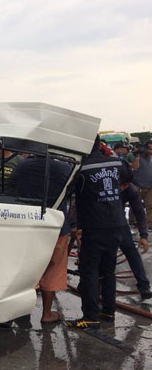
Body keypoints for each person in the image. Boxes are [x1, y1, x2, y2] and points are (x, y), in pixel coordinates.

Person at [66, 136, 129, 329]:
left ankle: (91, 316)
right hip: (116, 223)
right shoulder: (117, 162)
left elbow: (70, 193)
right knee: (108, 271)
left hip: (95, 226)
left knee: (90, 271)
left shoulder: (82, 168)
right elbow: (128, 179)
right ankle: (108, 311)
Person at [10, 154, 72, 324]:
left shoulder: (22, 166)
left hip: (28, 225)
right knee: (53, 270)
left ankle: (22, 313)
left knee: (26, 270)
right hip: (57, 226)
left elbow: (11, 186)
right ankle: (46, 313)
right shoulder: (65, 169)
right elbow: (72, 192)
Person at [118, 170, 152, 300]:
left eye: (125, 185)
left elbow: (140, 213)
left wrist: (144, 236)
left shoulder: (131, 190)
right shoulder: (105, 185)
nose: (122, 188)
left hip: (120, 224)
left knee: (132, 253)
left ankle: (144, 286)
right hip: (101, 223)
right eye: (120, 184)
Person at [132, 141, 152, 229]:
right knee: (136, 205)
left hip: (150, 187)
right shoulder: (138, 157)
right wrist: (137, 157)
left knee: (150, 206)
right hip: (138, 186)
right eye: (150, 149)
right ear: (145, 149)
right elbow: (135, 168)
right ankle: (133, 222)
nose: (151, 151)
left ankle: (150, 224)